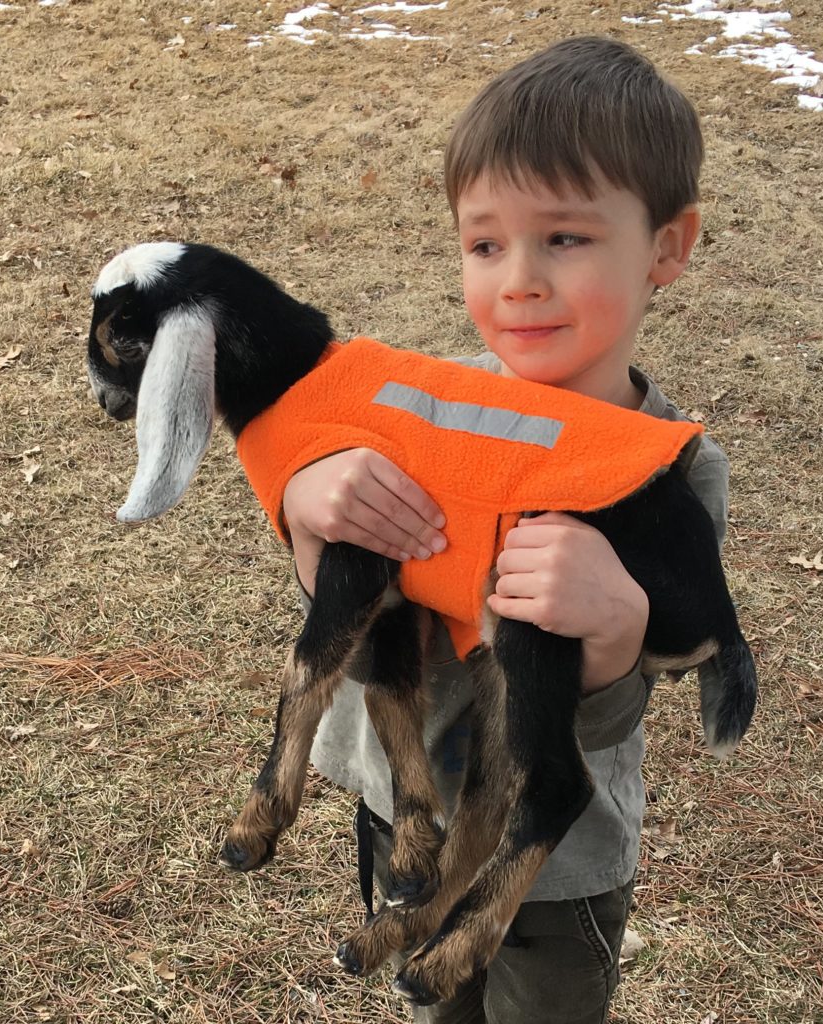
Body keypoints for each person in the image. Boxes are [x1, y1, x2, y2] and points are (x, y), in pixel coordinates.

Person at [282, 36, 728, 1024]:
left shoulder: (667, 471)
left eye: (563, 239)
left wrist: (612, 637)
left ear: (667, 244)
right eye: (485, 244)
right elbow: (346, 596)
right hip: (400, 817)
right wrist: (308, 501)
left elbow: (610, 719)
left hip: (552, 874)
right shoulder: (421, 415)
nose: (518, 279)